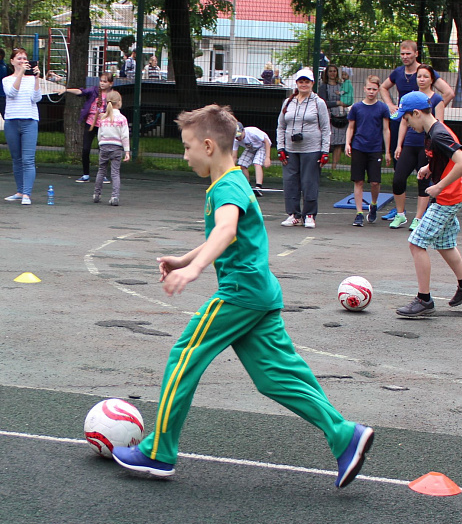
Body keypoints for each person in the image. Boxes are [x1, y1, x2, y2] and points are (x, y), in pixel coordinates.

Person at [109, 103, 373, 488]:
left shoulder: (229, 185)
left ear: (209, 146)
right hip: (260, 294)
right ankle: (344, 435)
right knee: (275, 376)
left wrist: (194, 270)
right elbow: (227, 237)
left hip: (240, 293)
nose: (185, 156)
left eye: (187, 147)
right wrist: (185, 257)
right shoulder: (231, 181)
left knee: (184, 355)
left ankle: (158, 453)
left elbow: (227, 230)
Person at [391, 91, 462, 318]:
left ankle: (424, 300)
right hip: (452, 196)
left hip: (448, 198)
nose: (407, 123)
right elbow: (443, 157)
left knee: (416, 243)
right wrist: (430, 168)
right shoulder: (431, 131)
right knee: (443, 241)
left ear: (417, 113)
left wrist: (439, 186)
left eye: (407, 119)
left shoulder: (439, 134)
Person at [379, 40, 454, 203]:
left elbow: (448, 92)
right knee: (399, 172)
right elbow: (383, 87)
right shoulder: (398, 73)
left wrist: (429, 114)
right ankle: (399, 210)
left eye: (408, 53)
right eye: (402, 54)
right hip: (403, 123)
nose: (405, 57)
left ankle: (424, 212)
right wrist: (391, 105)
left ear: (416, 54)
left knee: (424, 175)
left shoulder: (424, 72)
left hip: (422, 129)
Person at [392, 64, 445, 231]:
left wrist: (434, 150)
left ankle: (419, 218)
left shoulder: (436, 100)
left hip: (425, 146)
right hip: (409, 144)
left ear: (431, 80)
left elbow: (440, 126)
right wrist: (399, 144)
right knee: (398, 179)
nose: (421, 79)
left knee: (423, 181)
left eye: (425, 76)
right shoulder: (410, 98)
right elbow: (403, 122)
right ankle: (400, 215)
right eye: (419, 76)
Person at [275, 68, 329, 229]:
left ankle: (310, 215)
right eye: (301, 82)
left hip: (311, 149)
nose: (303, 84)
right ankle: (293, 214)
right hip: (291, 149)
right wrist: (280, 147)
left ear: (312, 83)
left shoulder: (318, 102)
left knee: (309, 182)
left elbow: (326, 128)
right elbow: (280, 126)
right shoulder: (288, 102)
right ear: (297, 83)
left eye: (307, 82)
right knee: (290, 182)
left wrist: (325, 150)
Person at [0, 48, 44, 205]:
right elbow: (11, 93)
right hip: (12, 120)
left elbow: (36, 98)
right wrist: (19, 74)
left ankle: (27, 193)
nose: (22, 60)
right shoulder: (6, 80)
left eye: (25, 58)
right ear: (12, 61)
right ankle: (19, 191)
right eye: (19, 58)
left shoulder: (31, 79)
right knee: (16, 159)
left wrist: (37, 78)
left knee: (28, 159)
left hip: (29, 120)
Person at [345, 75, 391, 227]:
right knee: (358, 180)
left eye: (374, 89)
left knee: (375, 182)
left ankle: (374, 204)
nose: (371, 92)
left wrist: (388, 151)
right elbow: (351, 127)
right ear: (364, 89)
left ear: (378, 90)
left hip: (375, 148)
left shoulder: (382, 108)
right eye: (369, 89)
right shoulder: (357, 108)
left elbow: (386, 129)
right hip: (359, 147)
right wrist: (348, 143)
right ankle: (359, 213)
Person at [64, 73, 116, 183]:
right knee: (86, 149)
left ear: (111, 83)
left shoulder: (112, 95)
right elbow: (80, 92)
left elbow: (115, 110)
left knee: (103, 150)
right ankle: (86, 174)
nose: (102, 83)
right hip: (90, 124)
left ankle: (103, 175)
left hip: (104, 126)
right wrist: (66, 90)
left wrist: (107, 116)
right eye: (101, 81)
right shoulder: (93, 91)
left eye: (105, 81)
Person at [92, 90, 131, 206]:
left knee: (101, 170)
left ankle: (96, 194)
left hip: (104, 146)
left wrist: (101, 144)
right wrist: (127, 151)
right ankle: (115, 196)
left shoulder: (103, 118)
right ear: (119, 102)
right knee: (115, 173)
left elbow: (100, 134)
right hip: (116, 148)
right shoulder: (122, 119)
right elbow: (125, 136)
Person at [322, 64, 352, 170]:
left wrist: (345, 102)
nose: (332, 73)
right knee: (329, 141)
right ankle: (323, 163)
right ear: (327, 73)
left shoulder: (342, 85)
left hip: (342, 115)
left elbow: (348, 97)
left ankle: (334, 167)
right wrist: (338, 102)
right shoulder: (324, 87)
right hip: (329, 115)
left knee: (339, 142)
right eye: (330, 71)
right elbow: (323, 102)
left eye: (334, 71)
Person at [233, 123, 272, 195]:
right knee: (241, 164)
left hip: (262, 146)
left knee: (257, 163)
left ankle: (258, 187)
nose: (238, 138)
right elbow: (234, 157)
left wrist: (267, 158)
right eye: (236, 137)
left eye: (239, 136)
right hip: (251, 148)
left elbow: (267, 142)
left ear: (243, 131)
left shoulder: (252, 132)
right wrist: (231, 168)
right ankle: (247, 185)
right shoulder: (236, 140)